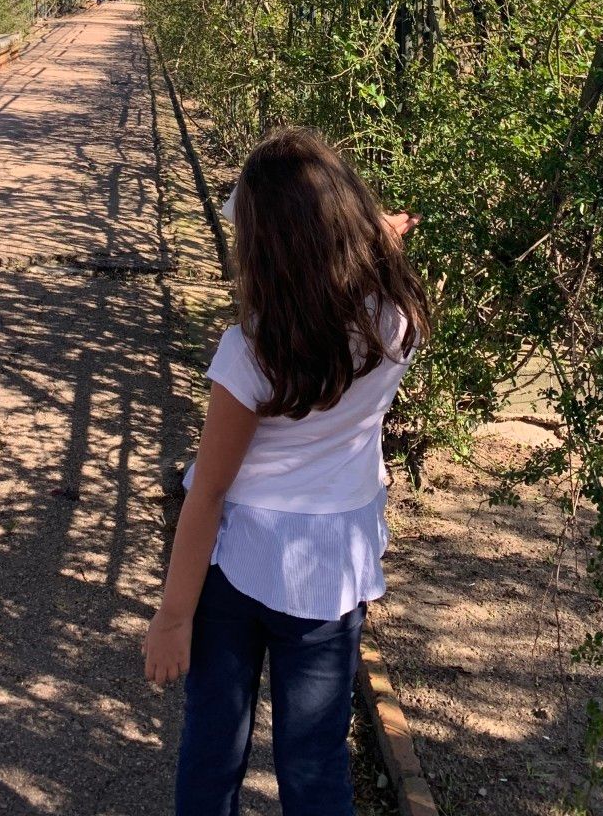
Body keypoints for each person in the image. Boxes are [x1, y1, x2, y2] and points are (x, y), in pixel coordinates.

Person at [143, 126, 427, 816]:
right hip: (330, 566)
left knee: (214, 747)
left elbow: (209, 491)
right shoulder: (395, 321)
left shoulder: (252, 352)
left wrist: (173, 617)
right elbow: (366, 256)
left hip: (235, 569)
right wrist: (381, 235)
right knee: (314, 759)